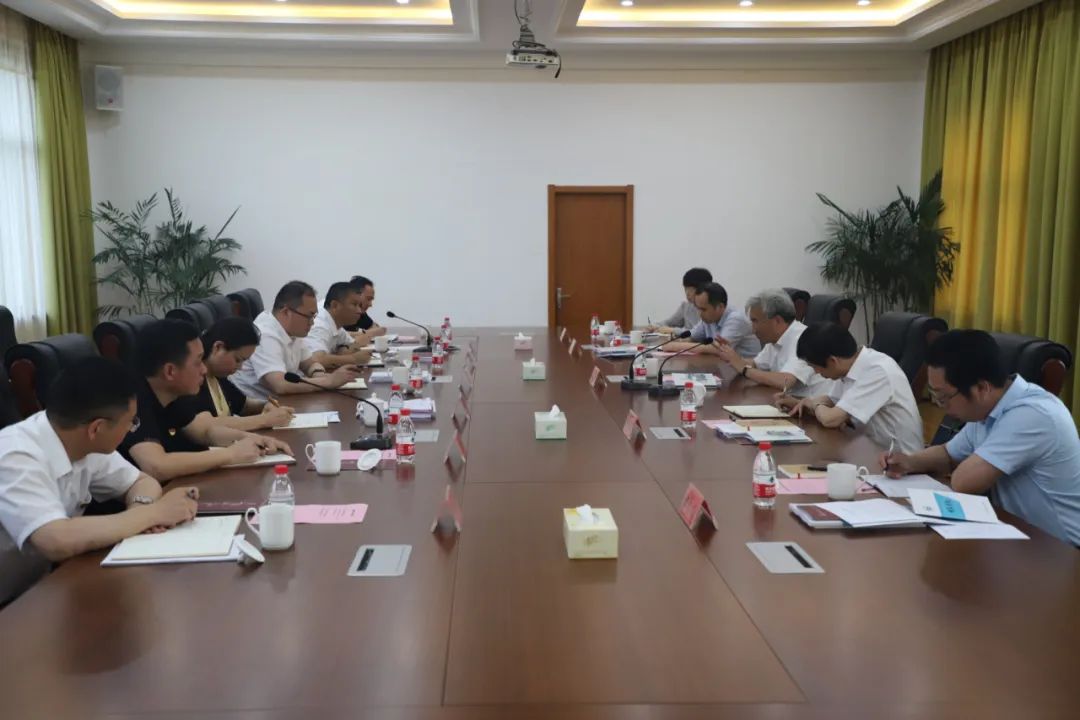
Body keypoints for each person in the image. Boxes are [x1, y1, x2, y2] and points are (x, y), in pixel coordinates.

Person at [0, 357, 200, 607]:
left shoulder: (82, 439)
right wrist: (153, 514)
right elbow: (55, 539)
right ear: (97, 428)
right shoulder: (15, 455)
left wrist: (141, 513)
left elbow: (141, 482)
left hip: (40, 589)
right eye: (131, 422)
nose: (131, 429)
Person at [880, 330, 1080, 545]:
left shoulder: (1033, 415)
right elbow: (948, 454)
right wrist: (909, 462)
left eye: (944, 397)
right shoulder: (988, 409)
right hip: (1016, 535)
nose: (941, 406)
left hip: (1061, 551)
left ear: (982, 388)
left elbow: (963, 482)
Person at [120, 319, 292, 481]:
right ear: (170, 371)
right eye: (197, 362)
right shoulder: (131, 398)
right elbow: (156, 466)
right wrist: (230, 455)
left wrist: (255, 440)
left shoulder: (172, 394)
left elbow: (205, 432)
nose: (204, 369)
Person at [778, 322, 923, 453]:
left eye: (815, 367)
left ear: (833, 361)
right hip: (868, 449)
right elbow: (831, 400)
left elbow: (831, 419)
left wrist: (814, 404)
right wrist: (802, 403)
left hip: (901, 462)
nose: (816, 372)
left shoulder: (878, 371)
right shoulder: (849, 367)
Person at [231, 280, 360, 401]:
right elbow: (280, 385)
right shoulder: (265, 335)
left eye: (314, 316)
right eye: (309, 316)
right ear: (286, 312)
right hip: (256, 410)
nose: (312, 322)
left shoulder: (293, 331)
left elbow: (309, 363)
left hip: (285, 403)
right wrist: (328, 381)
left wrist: (319, 374)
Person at [716, 288, 833, 397]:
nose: (753, 328)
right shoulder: (774, 339)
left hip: (813, 407)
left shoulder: (803, 339)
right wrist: (732, 358)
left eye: (755, 321)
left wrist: (744, 369)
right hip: (789, 401)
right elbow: (756, 364)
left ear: (777, 321)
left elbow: (785, 381)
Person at [196, 317, 296, 431]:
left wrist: (266, 405)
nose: (240, 367)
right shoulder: (193, 379)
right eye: (237, 360)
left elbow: (244, 405)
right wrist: (265, 420)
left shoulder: (218, 376)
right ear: (218, 347)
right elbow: (206, 425)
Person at [665, 282, 761, 358]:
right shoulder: (708, 318)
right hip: (723, 366)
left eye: (703, 309)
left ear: (720, 307)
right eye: (698, 308)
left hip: (746, 370)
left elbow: (718, 349)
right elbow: (692, 337)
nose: (699, 313)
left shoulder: (736, 319)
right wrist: (676, 341)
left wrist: (675, 346)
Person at [305, 282, 374, 369]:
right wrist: (353, 359)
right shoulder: (319, 325)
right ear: (335, 305)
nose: (359, 311)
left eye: (359, 305)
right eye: (354, 305)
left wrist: (342, 352)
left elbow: (351, 346)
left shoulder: (337, 324)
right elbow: (316, 359)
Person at [646, 267, 712, 334]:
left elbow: (700, 333)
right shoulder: (686, 306)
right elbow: (669, 323)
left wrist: (673, 330)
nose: (687, 293)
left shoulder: (711, 309)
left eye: (691, 290)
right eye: (685, 289)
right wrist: (655, 326)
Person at [342, 275, 387, 344]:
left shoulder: (359, 312)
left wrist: (367, 333)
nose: (370, 304)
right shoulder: (339, 310)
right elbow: (339, 336)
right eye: (368, 299)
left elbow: (377, 328)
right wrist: (368, 333)